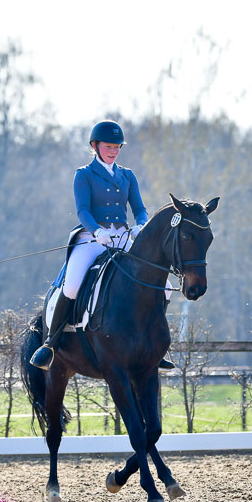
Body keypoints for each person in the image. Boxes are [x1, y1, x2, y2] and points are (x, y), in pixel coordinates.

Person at [30, 120, 174, 371]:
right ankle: (50, 344)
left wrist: (141, 225)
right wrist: (97, 231)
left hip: (122, 239)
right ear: (95, 146)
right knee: (72, 286)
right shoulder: (84, 174)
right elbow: (83, 210)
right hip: (92, 238)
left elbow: (139, 208)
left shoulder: (127, 175)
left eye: (117, 147)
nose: (113, 151)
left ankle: (153, 343)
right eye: (109, 146)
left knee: (167, 288)